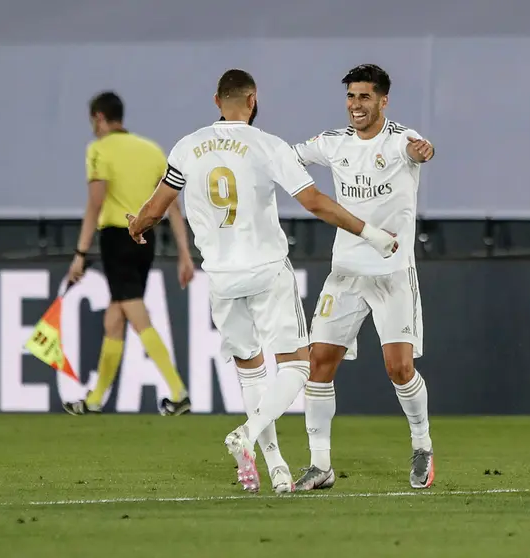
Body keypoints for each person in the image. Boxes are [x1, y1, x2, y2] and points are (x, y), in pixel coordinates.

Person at [127, 69, 398, 493]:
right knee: (296, 364)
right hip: (267, 269)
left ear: (217, 100)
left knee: (250, 370)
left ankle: (275, 469)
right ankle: (248, 434)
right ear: (252, 100)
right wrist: (373, 233)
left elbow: (156, 207)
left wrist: (136, 225)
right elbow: (315, 203)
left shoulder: (187, 146)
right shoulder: (267, 145)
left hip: (220, 276)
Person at [292, 64, 437, 490]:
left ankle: (422, 446)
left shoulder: (400, 141)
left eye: (364, 97)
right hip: (346, 273)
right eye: (351, 97)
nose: (356, 105)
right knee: (319, 362)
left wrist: (423, 152)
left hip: (392, 274)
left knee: (399, 368)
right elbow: (289, 156)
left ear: (383, 101)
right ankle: (320, 465)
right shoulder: (333, 143)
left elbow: (420, 151)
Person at [63, 91, 195, 417]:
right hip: (145, 238)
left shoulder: (98, 150)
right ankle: (94, 401)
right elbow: (172, 206)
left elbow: (96, 203)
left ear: (99, 118)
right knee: (114, 319)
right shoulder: (151, 150)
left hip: (117, 238)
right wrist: (184, 253)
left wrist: (80, 252)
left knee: (135, 313)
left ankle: (178, 392)